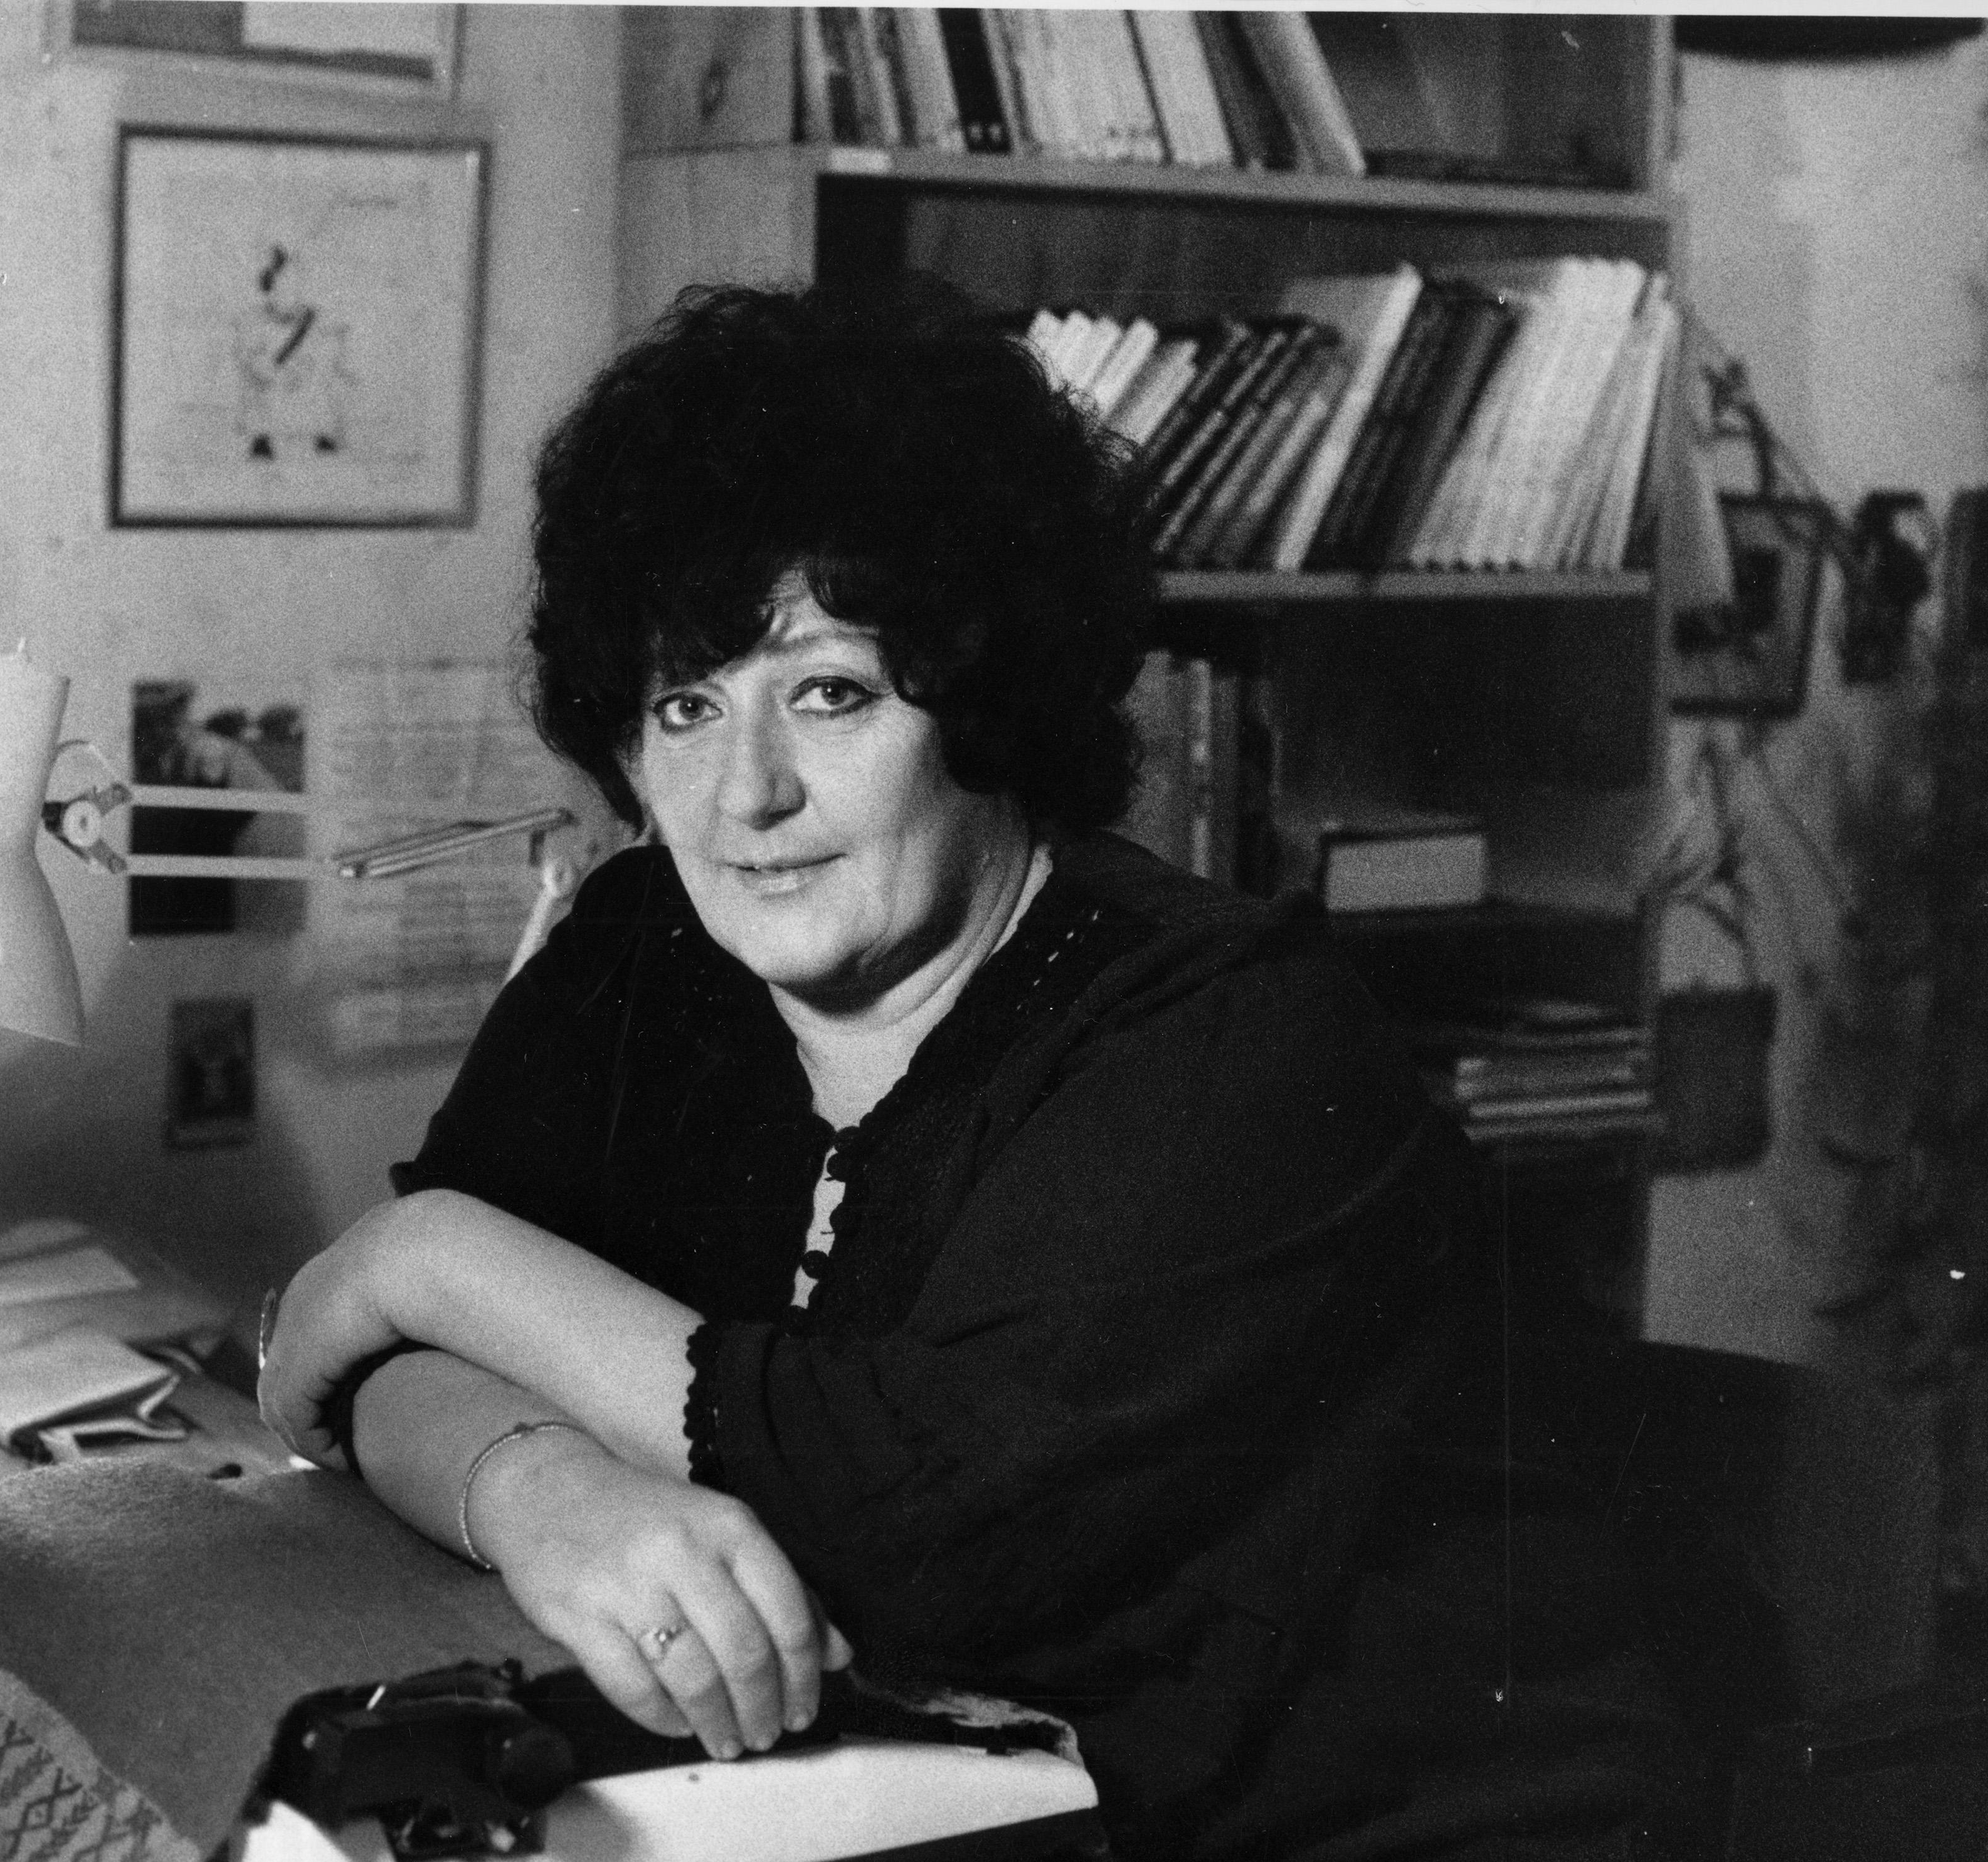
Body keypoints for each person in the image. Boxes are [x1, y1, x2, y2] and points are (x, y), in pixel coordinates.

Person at [258, 280, 1703, 1859]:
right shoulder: (641, 951)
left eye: (831, 693)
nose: (746, 794)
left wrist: (424, 1251)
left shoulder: (1233, 1033)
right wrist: (539, 1490)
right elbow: (373, 1368)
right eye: (686, 705)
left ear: (988, 701)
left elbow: (921, 1532)